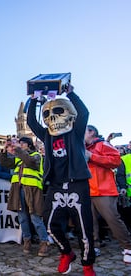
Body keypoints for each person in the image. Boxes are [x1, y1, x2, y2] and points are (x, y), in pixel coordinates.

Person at [27, 84, 96, 275]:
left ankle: (87, 264)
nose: (52, 118)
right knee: (50, 224)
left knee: (84, 229)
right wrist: (33, 100)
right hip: (56, 185)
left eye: (58, 112)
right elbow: (32, 122)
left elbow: (84, 112)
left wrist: (70, 93)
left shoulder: (75, 131)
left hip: (77, 183)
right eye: (48, 114)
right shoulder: (47, 135)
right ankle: (66, 252)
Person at [84, 125, 131, 263]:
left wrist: (92, 156)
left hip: (104, 190)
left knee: (113, 219)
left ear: (92, 132)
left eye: (84, 131)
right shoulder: (83, 148)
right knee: (89, 221)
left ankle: (128, 247)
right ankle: (95, 245)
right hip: (88, 190)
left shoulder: (103, 144)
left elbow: (116, 161)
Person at [0, 136, 49, 257]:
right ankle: (27, 241)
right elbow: (4, 162)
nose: (20, 145)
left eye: (23, 143)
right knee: (22, 218)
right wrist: (5, 150)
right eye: (19, 143)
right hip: (18, 189)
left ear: (29, 145)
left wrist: (18, 151)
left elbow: (31, 163)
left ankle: (44, 242)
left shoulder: (36, 155)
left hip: (32, 189)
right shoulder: (19, 158)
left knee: (35, 218)